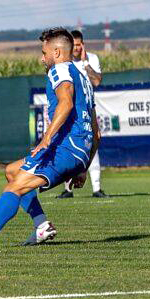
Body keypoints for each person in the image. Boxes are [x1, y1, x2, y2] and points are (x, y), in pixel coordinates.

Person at [0, 28, 96, 249]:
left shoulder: (59, 70)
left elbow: (66, 103)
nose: (42, 58)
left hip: (64, 148)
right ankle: (42, 226)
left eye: (44, 52)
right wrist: (83, 167)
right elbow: (96, 131)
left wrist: (46, 138)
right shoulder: (84, 79)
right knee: (12, 171)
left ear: (57, 52)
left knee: (14, 188)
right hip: (80, 151)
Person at [56, 30, 106, 199]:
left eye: (78, 45)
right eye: (74, 45)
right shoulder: (66, 62)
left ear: (83, 45)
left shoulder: (92, 59)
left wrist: (85, 63)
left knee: (92, 142)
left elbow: (96, 81)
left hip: (88, 108)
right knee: (69, 145)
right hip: (72, 109)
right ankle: (68, 189)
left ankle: (97, 188)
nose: (76, 48)